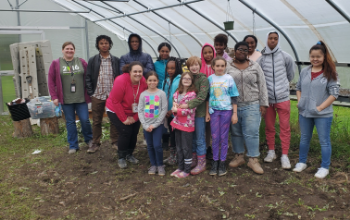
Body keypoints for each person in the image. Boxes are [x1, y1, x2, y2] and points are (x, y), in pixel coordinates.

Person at [293, 41, 339, 179]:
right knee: (304, 138)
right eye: (312, 56)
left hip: (322, 115)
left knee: (324, 141)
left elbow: (334, 94)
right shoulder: (305, 71)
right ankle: (302, 162)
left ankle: (325, 167)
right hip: (305, 113)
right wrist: (300, 101)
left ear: (324, 57)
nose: (315, 59)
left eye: (318, 56)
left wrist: (320, 107)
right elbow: (298, 87)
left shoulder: (330, 73)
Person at [227, 41, 269, 174]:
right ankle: (239, 156)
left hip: (252, 104)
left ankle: (253, 159)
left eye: (246, 50)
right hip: (233, 105)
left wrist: (263, 104)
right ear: (235, 51)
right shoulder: (228, 66)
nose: (243, 52)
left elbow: (262, 85)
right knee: (236, 132)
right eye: (240, 49)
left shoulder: (255, 66)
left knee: (252, 131)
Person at [256, 31, 296, 169]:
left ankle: (285, 155)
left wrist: (281, 88)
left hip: (283, 98)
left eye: (275, 38)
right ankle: (271, 151)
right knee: (269, 126)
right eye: (270, 38)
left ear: (278, 40)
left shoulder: (286, 57)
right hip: (268, 100)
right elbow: (259, 79)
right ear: (266, 40)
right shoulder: (261, 59)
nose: (272, 40)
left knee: (285, 127)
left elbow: (290, 75)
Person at [48, 42, 92, 154]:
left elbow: (88, 77)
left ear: (74, 50)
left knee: (85, 120)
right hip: (66, 99)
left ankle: (89, 140)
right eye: (67, 49)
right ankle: (73, 145)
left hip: (81, 98)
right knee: (70, 122)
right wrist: (54, 96)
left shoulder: (81, 62)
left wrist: (91, 92)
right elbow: (51, 81)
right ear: (62, 50)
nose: (69, 51)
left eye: (71, 49)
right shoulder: (56, 63)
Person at [106, 62, 147, 169]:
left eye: (140, 71)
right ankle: (121, 157)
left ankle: (129, 154)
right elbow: (115, 101)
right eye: (135, 71)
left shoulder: (143, 81)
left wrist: (135, 117)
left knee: (134, 132)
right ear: (129, 72)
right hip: (116, 109)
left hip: (134, 110)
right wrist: (124, 119)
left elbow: (144, 102)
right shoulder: (121, 80)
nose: (138, 74)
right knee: (125, 132)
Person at [85, 35, 120, 153]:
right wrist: (91, 92)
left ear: (110, 44)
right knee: (96, 120)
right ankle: (95, 143)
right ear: (98, 45)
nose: (104, 45)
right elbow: (88, 77)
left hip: (112, 95)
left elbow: (119, 77)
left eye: (106, 43)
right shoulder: (93, 60)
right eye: (101, 43)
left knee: (114, 119)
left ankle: (115, 141)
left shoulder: (115, 60)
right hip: (98, 94)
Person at [206, 57, 239, 176]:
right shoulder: (210, 79)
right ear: (213, 67)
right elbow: (207, 97)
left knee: (224, 137)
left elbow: (234, 97)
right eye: (217, 66)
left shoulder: (229, 79)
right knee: (215, 137)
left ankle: (222, 162)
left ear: (225, 66)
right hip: (214, 111)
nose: (220, 68)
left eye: (222, 66)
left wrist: (234, 114)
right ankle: (215, 161)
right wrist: (207, 113)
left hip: (226, 111)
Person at [178, 56, 209, 175]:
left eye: (196, 65)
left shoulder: (203, 79)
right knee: (192, 138)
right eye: (191, 65)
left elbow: (202, 97)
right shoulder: (188, 78)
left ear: (200, 66)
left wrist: (187, 105)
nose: (194, 67)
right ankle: (194, 159)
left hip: (199, 113)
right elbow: (181, 91)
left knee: (200, 138)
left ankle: (202, 163)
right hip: (188, 115)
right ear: (188, 67)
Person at [138, 71, 168, 176]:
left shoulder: (161, 93)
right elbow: (140, 110)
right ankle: (153, 164)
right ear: (146, 81)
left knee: (157, 145)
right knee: (150, 146)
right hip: (147, 126)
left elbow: (164, 110)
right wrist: (145, 125)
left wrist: (155, 124)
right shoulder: (143, 94)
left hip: (158, 125)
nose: (152, 82)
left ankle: (160, 165)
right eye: (150, 80)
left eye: (154, 80)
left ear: (157, 81)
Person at [170, 72, 197, 178]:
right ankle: (180, 167)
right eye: (184, 78)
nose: (186, 80)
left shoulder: (192, 94)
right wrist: (174, 109)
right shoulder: (177, 93)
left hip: (187, 125)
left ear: (191, 81)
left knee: (186, 148)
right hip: (177, 123)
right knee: (179, 147)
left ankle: (187, 169)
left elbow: (191, 110)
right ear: (181, 80)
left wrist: (178, 110)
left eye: (189, 79)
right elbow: (174, 105)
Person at [162, 57, 183, 165]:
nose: (170, 70)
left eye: (172, 68)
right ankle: (172, 155)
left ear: (177, 68)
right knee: (171, 133)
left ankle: (177, 156)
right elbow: (162, 95)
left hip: (176, 113)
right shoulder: (165, 80)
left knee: (176, 135)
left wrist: (172, 110)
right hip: (168, 113)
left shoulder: (180, 80)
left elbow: (180, 97)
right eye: (168, 68)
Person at [200, 43, 217, 160]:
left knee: (213, 125)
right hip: (202, 101)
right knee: (204, 125)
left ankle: (214, 147)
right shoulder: (200, 66)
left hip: (215, 100)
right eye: (205, 53)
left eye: (210, 52)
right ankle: (205, 147)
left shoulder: (217, 66)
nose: (208, 55)